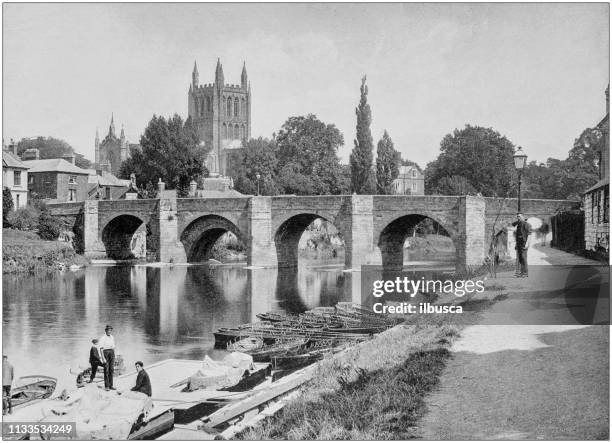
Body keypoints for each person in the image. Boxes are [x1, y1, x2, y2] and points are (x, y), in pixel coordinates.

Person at [512, 212, 531, 278]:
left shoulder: (526, 224)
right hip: (519, 244)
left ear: (523, 217)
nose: (518, 218)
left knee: (524, 258)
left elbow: (529, 235)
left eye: (519, 216)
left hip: (524, 243)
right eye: (517, 216)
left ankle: (525, 273)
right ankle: (521, 273)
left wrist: (527, 244)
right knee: (519, 259)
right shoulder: (518, 225)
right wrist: (516, 244)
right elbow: (517, 236)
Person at [99, 325, 116, 391]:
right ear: (105, 331)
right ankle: (107, 386)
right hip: (105, 352)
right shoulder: (103, 338)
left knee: (111, 369)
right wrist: (103, 358)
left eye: (110, 330)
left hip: (111, 352)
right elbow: (101, 349)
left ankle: (111, 385)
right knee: (106, 369)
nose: (109, 331)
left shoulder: (112, 337)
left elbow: (113, 347)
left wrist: (114, 355)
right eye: (108, 330)